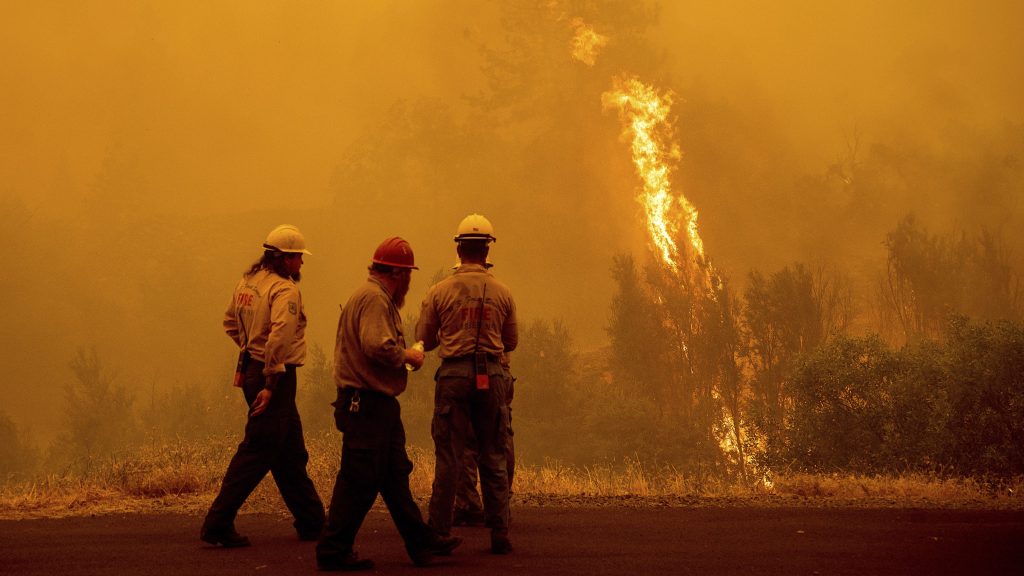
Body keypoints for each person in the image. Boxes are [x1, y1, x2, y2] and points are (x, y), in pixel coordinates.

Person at [317, 237, 462, 571]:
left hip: (375, 404)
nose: (408, 282)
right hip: (366, 403)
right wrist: (408, 355)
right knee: (358, 479)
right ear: (397, 273)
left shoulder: (369, 296)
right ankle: (333, 550)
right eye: (408, 274)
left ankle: (421, 542)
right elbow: (377, 346)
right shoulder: (375, 300)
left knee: (394, 476)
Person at [201, 224, 325, 547]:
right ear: (282, 258)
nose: (301, 262)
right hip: (276, 377)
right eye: (297, 257)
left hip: (253, 370)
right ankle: (217, 523)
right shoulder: (285, 290)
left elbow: (230, 322)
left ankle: (312, 521)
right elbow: (280, 337)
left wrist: (251, 351)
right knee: (257, 451)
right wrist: (270, 382)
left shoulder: (248, 282)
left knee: (290, 453)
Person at [417, 214, 518, 554]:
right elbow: (511, 341)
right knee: (494, 454)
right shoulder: (503, 292)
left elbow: (425, 339)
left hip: (454, 376)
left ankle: (438, 530)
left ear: (458, 250)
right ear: (487, 250)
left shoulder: (439, 291)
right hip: (492, 374)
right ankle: (500, 532)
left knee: (450, 456)